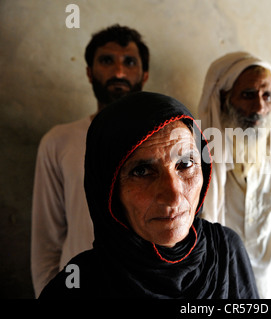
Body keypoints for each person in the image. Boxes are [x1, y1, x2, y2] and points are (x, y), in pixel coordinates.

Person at [38, 91, 259, 299]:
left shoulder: (225, 250)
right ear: (109, 190)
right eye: (142, 171)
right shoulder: (79, 284)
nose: (174, 196)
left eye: (186, 164)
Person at [31, 24, 150, 297]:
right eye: (107, 61)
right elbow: (46, 240)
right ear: (89, 72)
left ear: (144, 75)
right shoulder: (58, 141)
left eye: (129, 62)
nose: (118, 72)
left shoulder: (166, 144)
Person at [197, 51, 271, 299]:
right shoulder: (199, 156)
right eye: (248, 95)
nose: (259, 107)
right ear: (224, 98)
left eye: (267, 96)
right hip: (222, 288)